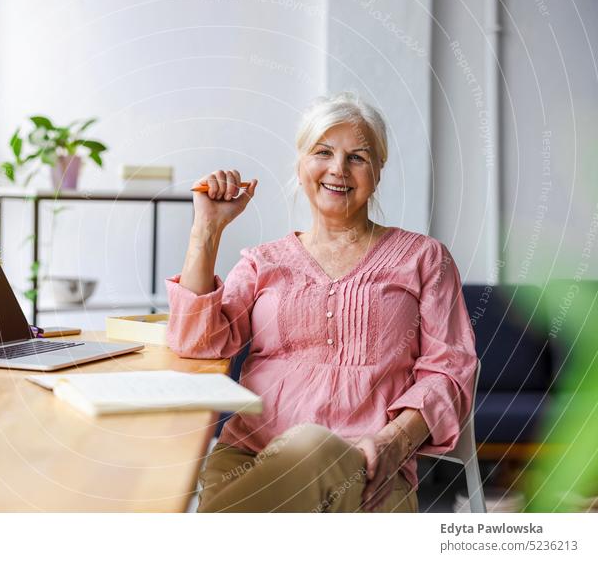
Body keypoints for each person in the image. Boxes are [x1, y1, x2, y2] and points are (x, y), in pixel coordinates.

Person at [165, 92, 478, 513]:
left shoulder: (424, 259)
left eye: (358, 157)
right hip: (252, 463)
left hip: (370, 474)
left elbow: (450, 371)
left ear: (378, 171)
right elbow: (195, 345)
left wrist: (392, 442)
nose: (338, 169)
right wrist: (206, 230)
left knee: (311, 443)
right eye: (323, 152)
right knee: (304, 446)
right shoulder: (263, 263)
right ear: (300, 165)